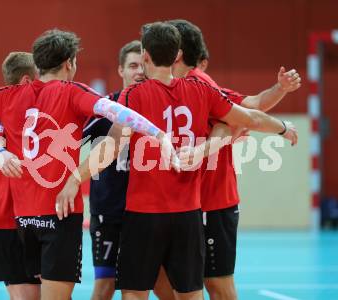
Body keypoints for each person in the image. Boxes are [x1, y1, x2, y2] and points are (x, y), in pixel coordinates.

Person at [0, 29, 178, 300]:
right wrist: (158, 133)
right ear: (69, 63)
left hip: (24, 218)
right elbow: (118, 112)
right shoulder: (71, 92)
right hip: (58, 213)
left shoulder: (10, 95)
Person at [56, 21, 298, 300]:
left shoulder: (133, 95)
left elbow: (110, 146)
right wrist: (281, 128)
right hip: (188, 215)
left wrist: (75, 179)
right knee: (190, 293)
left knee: (134, 291)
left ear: (145, 56)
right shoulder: (201, 90)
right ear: (176, 57)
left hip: (143, 213)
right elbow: (251, 117)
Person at [153, 19, 302, 300]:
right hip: (182, 201)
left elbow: (250, 109)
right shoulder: (169, 86)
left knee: (217, 284)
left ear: (177, 52)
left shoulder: (199, 83)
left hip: (213, 199)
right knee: (169, 282)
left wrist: (279, 106)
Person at [82, 40, 144, 300]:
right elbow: (67, 136)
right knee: (105, 285)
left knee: (145, 285)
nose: (139, 71)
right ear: (121, 71)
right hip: (109, 209)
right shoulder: (105, 107)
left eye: (143, 65)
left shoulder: (160, 106)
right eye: (132, 66)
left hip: (147, 211)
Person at [0, 51, 41, 300]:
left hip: (34, 219)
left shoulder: (42, 110)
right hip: (6, 220)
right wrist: (1, 153)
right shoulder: (4, 109)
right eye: (40, 76)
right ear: (27, 81)